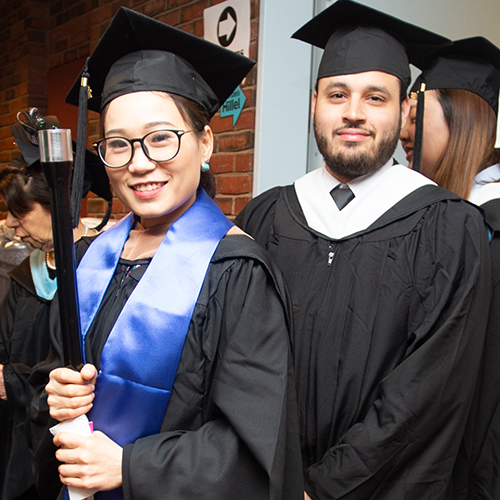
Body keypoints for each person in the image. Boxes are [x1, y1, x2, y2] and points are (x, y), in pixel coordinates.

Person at [29, 7, 302, 500]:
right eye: (119, 144)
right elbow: (52, 368)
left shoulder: (236, 273)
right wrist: (56, 389)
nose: (139, 164)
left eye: (161, 139)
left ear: (205, 144)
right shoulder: (90, 257)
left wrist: (130, 467)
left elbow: (257, 447)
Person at [236, 1, 491, 498]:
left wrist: (323, 488)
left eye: (376, 97)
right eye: (338, 94)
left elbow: (427, 394)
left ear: (403, 110)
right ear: (314, 103)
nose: (354, 112)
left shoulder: (448, 229)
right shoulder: (264, 218)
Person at [399, 36, 500, 500]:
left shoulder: (490, 225)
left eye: (416, 118)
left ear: (460, 121)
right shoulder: (444, 217)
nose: (403, 131)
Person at [0, 111, 112, 500]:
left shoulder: (100, 266)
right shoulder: (23, 276)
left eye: (20, 214)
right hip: (20, 443)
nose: (12, 226)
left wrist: (11, 382)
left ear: (58, 204)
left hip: (79, 443)